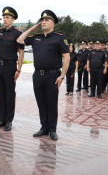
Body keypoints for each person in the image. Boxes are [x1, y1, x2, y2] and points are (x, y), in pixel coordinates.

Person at [17, 10, 70, 141]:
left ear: (53, 23)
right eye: (42, 20)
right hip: (38, 76)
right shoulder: (36, 37)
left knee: (51, 103)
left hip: (53, 76)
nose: (43, 22)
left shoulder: (59, 38)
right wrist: (31, 29)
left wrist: (62, 76)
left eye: (47, 20)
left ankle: (52, 129)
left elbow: (67, 58)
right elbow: (19, 39)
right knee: (41, 103)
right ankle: (44, 127)